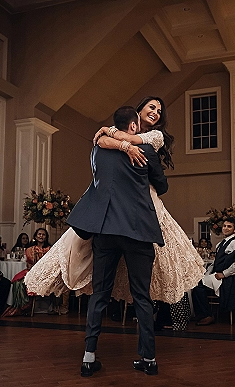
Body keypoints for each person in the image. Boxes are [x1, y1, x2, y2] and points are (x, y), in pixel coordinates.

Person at [25, 97, 204, 324]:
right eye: (151, 107)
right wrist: (122, 144)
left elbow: (121, 138)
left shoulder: (154, 137)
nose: (156, 112)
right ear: (138, 111)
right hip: (113, 201)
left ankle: (155, 311)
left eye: (160, 110)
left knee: (159, 259)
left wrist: (118, 137)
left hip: (143, 201)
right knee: (81, 246)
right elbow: (100, 142)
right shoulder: (121, 131)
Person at [66, 105, 168, 377]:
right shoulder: (147, 151)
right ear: (134, 127)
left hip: (106, 231)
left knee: (100, 294)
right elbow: (163, 186)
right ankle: (149, 359)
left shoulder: (99, 148)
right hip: (138, 232)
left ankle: (89, 357)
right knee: (142, 298)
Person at [192, 219, 235, 326]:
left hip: (227, 279)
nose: (226, 228)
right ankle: (202, 313)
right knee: (194, 283)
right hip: (217, 275)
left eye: (229, 226)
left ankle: (208, 315)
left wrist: (225, 273)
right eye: (225, 226)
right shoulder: (221, 243)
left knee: (198, 286)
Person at [2, 228, 51, 317]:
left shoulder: (49, 249)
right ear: (35, 236)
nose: (41, 236)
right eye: (39, 234)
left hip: (45, 273)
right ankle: (21, 306)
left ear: (46, 237)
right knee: (18, 282)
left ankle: (27, 307)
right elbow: (28, 263)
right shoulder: (29, 249)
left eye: (43, 234)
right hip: (32, 271)